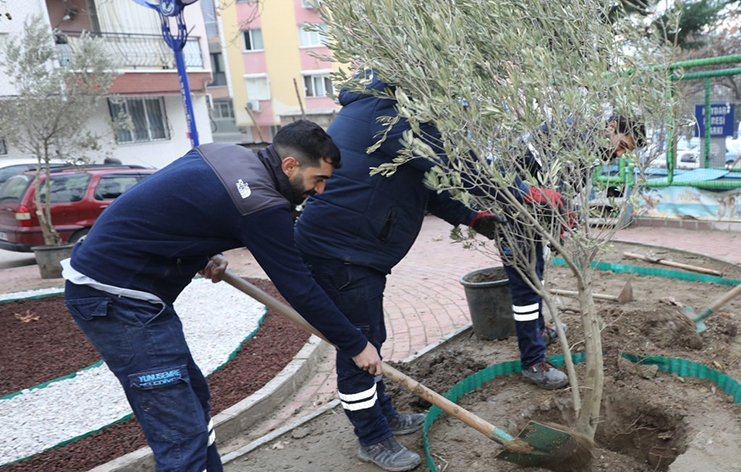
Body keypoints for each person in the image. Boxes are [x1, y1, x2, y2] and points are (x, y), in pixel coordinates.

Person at [63, 121, 379, 472]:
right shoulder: (262, 205)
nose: (319, 191)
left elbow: (175, 207)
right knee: (180, 431)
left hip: (130, 293)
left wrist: (203, 251)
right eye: (317, 179)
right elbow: (299, 287)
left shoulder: (222, 152)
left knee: (192, 403)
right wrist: (355, 344)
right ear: (290, 166)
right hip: (116, 300)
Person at [292, 71, 501, 472]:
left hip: (355, 249)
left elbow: (431, 186)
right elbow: (458, 168)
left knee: (370, 339)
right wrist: (527, 196)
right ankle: (372, 438)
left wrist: (474, 218)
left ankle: (383, 417)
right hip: (343, 252)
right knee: (358, 345)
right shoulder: (392, 115)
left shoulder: (389, 112)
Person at [499, 115, 644, 389]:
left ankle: (539, 330)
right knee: (526, 291)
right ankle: (532, 362)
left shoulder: (588, 146)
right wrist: (547, 205)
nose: (620, 154)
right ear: (612, 127)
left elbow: (565, 188)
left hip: (532, 217)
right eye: (623, 145)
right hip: (513, 215)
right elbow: (536, 179)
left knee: (536, 278)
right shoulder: (575, 134)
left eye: (627, 151)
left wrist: (563, 217)